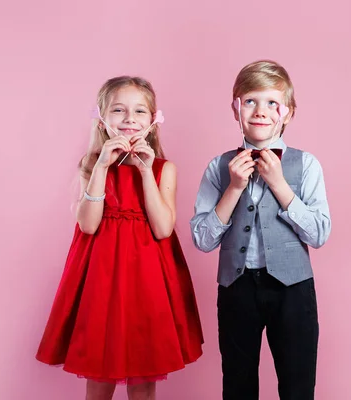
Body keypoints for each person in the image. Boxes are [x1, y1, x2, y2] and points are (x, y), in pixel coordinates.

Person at [37, 76, 203, 400]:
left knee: (143, 382)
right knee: (98, 380)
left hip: (148, 283)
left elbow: (163, 228)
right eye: (118, 110)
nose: (129, 119)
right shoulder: (92, 166)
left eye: (140, 111)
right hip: (101, 283)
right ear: (102, 119)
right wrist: (100, 166)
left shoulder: (162, 169)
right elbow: (87, 224)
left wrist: (144, 171)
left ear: (153, 121)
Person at [190, 60, 331, 400]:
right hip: (237, 289)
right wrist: (234, 188)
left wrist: (281, 186)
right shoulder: (218, 166)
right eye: (250, 100)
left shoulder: (306, 164)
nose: (260, 111)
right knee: (238, 386)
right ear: (235, 108)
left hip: (292, 290)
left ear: (288, 112)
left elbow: (319, 234)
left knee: (298, 385)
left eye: (272, 103)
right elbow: (202, 239)